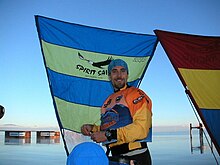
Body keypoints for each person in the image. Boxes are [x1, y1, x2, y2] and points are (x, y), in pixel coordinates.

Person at [81, 59, 152, 165]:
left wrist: (108, 135)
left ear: (127, 75)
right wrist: (93, 128)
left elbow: (142, 128)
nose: (119, 75)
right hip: (115, 157)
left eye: (122, 71)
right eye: (114, 71)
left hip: (136, 156)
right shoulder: (107, 101)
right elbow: (110, 126)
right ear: (109, 76)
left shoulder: (136, 94)